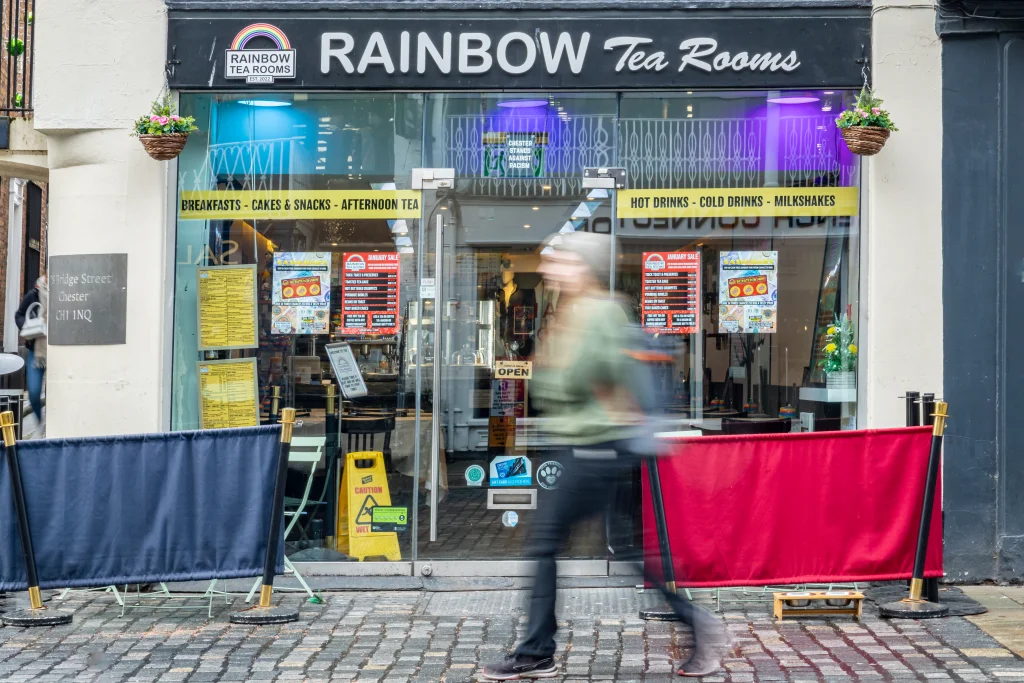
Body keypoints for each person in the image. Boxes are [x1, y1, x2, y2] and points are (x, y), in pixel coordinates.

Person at [481, 233, 729, 681]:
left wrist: (560, 378)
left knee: (544, 544)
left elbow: (588, 382)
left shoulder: (600, 315)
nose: (552, 269)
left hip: (595, 449)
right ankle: (698, 626)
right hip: (589, 446)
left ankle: (537, 651)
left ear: (583, 266)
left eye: (562, 262)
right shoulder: (574, 313)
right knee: (631, 553)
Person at [15, 275, 46, 436]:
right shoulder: (33, 294)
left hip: (58, 351)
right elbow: (19, 315)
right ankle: (40, 422)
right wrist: (28, 326)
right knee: (33, 391)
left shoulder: (64, 294)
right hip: (36, 350)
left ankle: (52, 425)